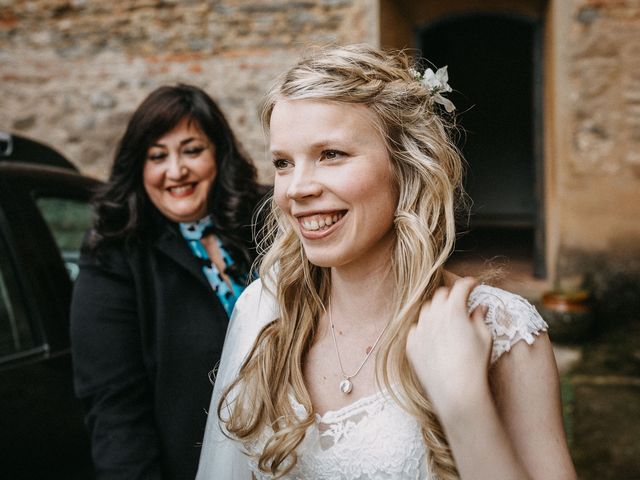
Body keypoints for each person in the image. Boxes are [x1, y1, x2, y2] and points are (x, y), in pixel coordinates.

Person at [196, 45, 577, 479]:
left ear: (406, 165)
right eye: (283, 163)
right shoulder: (264, 311)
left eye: (331, 154)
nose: (296, 189)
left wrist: (464, 404)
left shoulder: (503, 331)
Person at [70, 84, 265, 479]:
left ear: (218, 154)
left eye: (192, 150)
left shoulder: (263, 222)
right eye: (157, 156)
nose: (176, 171)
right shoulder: (113, 256)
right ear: (138, 167)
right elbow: (116, 411)